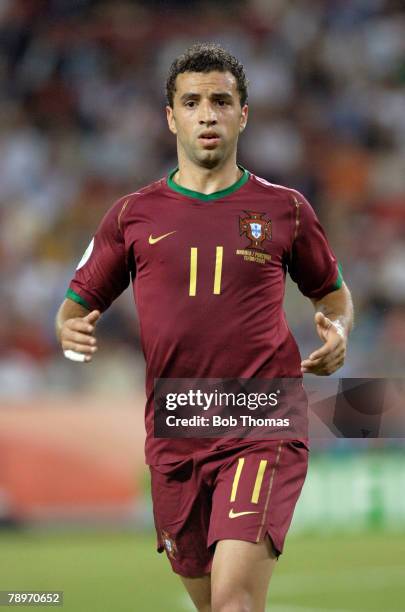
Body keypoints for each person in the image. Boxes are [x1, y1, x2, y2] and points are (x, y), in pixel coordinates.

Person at [56, 43, 353, 612]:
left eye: (221, 100)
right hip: (176, 427)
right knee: (211, 601)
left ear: (245, 113)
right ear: (171, 117)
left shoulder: (285, 208)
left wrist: (338, 331)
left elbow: (334, 296)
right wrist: (70, 330)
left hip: (260, 420)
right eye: (192, 102)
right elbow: (74, 307)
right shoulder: (131, 215)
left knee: (234, 604)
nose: (207, 114)